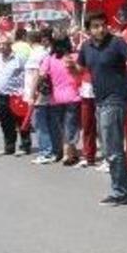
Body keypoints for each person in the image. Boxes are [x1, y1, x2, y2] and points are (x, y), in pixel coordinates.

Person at [77, 12, 127, 206]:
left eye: (103, 25)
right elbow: (79, 69)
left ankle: (121, 191)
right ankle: (125, 189)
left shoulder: (117, 43)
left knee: (113, 148)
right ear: (89, 29)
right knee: (109, 147)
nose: (100, 29)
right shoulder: (86, 47)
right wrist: (69, 66)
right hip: (99, 101)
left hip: (116, 100)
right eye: (95, 26)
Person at [42, 35, 82, 166]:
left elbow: (42, 74)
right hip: (73, 96)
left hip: (56, 97)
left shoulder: (49, 59)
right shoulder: (73, 57)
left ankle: (71, 152)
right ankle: (67, 153)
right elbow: (81, 73)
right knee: (71, 126)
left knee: (63, 126)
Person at [0, 35, 30, 156]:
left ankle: (25, 146)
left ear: (10, 45)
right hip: (2, 95)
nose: (0, 47)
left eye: (3, 44)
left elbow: (28, 74)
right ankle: (9, 147)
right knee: (5, 122)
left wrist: (26, 91)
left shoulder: (19, 58)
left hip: (16, 95)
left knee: (20, 121)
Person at [26, 29, 57, 164]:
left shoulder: (35, 54)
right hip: (47, 93)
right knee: (49, 123)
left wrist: (32, 95)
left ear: (30, 40)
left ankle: (46, 152)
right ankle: (53, 150)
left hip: (39, 94)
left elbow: (36, 76)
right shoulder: (45, 52)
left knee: (40, 124)